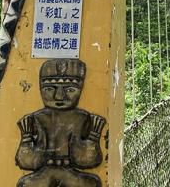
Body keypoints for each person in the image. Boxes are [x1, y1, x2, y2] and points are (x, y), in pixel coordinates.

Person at [15, 59, 105, 187]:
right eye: (50, 89)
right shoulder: (37, 118)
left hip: (70, 175)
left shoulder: (81, 117)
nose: (59, 96)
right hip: (44, 175)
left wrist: (93, 137)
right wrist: (26, 138)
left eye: (69, 90)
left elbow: (86, 161)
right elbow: (28, 163)